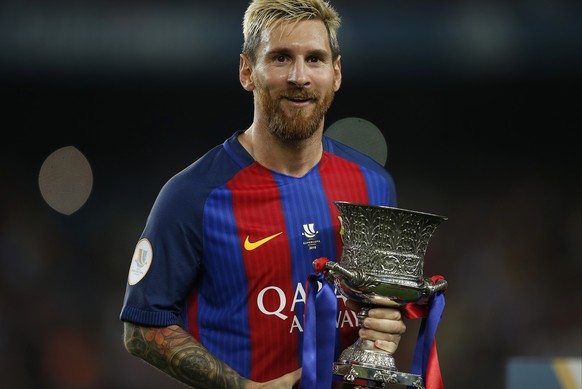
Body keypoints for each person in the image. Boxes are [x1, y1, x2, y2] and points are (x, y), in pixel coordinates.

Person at [119, 0, 406, 387]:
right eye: (281, 58)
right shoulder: (193, 195)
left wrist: (388, 324)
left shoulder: (374, 185)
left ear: (336, 73)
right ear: (246, 72)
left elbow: (380, 311)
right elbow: (141, 327)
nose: (299, 76)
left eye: (315, 59)